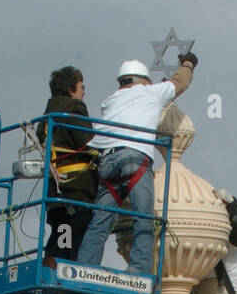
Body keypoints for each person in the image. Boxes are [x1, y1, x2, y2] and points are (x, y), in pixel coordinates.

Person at [76, 52, 197, 277]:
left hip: (108, 162)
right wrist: (188, 64)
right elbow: (179, 83)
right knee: (144, 218)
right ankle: (139, 270)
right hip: (135, 159)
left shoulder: (110, 101)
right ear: (143, 80)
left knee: (100, 222)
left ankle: (84, 268)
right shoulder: (151, 92)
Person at [38, 67, 97, 266]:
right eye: (82, 87)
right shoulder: (74, 109)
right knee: (76, 238)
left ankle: (53, 265)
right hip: (77, 189)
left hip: (56, 190)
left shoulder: (47, 116)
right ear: (72, 89)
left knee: (61, 231)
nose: (84, 92)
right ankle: (68, 274)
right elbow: (87, 144)